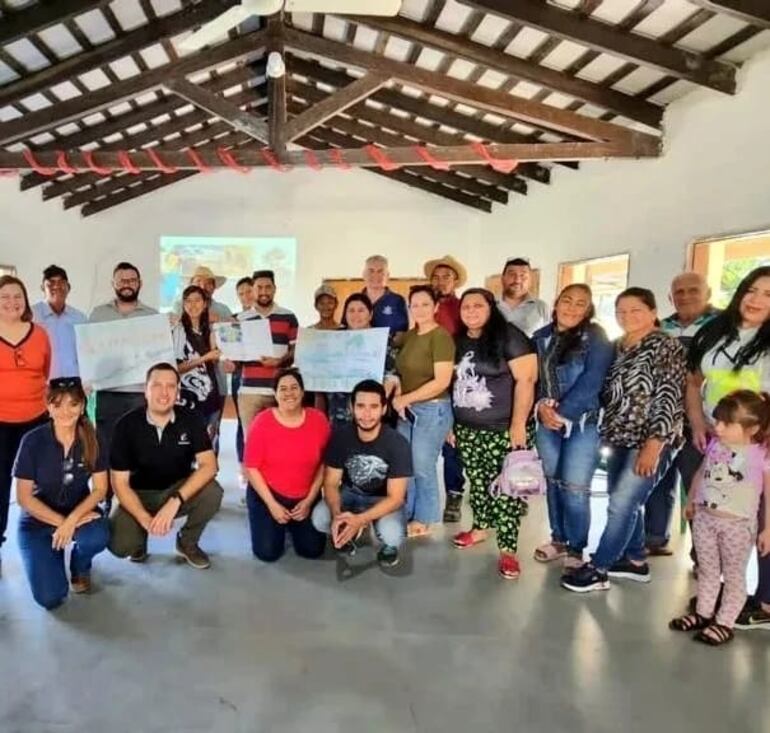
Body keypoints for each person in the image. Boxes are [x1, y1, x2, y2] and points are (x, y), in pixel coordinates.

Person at [562, 288, 686, 593]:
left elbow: (669, 397)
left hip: (651, 440)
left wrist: (654, 446)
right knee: (626, 503)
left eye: (636, 310)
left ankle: (600, 568)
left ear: (653, 312)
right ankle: (634, 560)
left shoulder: (664, 344)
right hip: (619, 436)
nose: (627, 317)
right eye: (621, 311)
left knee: (621, 504)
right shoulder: (618, 346)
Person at [687, 266, 770, 627]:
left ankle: (765, 602)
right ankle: (712, 596)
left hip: (759, 444)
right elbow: (693, 383)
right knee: (708, 509)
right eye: (752, 290)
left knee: (761, 518)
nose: (756, 300)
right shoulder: (715, 332)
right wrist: (698, 423)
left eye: (768, 295)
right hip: (712, 437)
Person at [669, 390, 770, 646]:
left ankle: (724, 621)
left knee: (734, 576)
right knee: (708, 570)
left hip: (737, 525)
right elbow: (701, 473)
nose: (718, 427)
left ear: (753, 427)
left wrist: (767, 529)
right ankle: (703, 613)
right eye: (718, 421)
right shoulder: (716, 444)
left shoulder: (762, 455)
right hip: (705, 520)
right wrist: (692, 500)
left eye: (727, 423)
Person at [450, 288, 537, 579]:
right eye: (466, 306)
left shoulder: (509, 336)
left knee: (508, 490)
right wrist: (452, 423)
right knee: (477, 482)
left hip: (503, 429)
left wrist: (518, 424)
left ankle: (508, 549)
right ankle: (479, 529)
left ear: (491, 308)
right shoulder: (459, 340)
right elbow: (455, 383)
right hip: (467, 429)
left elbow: (526, 379)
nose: (471, 311)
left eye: (478, 305)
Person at [108, 363, 223, 569]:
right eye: (157, 385)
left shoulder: (191, 418)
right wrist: (143, 518)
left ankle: (187, 543)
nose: (164, 392)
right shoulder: (126, 425)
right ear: (146, 390)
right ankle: (138, 540)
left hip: (176, 489)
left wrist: (175, 501)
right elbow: (119, 483)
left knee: (213, 492)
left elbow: (209, 466)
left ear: (178, 391)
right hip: (139, 493)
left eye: (171, 386)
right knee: (120, 545)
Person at [532, 284, 613, 569]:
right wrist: (541, 406)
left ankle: (577, 549)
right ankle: (558, 540)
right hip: (546, 422)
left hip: (583, 423)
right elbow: (534, 380)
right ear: (556, 304)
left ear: (588, 309)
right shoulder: (540, 337)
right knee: (553, 481)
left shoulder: (596, 337)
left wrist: (563, 413)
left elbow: (594, 378)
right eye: (567, 301)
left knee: (576, 487)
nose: (572, 308)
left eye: (581, 304)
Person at [14, 378, 109, 608]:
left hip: (79, 513)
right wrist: (63, 524)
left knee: (97, 536)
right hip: (37, 520)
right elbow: (23, 497)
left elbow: (100, 489)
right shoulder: (32, 441)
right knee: (51, 597)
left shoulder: (93, 438)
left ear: (83, 406)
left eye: (73, 404)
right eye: (57, 405)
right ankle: (51, 554)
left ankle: (80, 567)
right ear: (48, 407)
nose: (65, 412)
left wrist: (73, 520)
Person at [645, 272, 720, 556]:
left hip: (701, 421)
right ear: (670, 297)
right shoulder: (660, 327)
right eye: (679, 292)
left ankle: (703, 555)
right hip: (662, 418)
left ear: (708, 292)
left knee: (699, 486)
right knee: (657, 482)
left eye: (693, 290)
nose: (686, 296)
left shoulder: (723, 326)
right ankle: (653, 538)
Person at [312, 380, 412, 568]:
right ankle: (345, 532)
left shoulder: (398, 444)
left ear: (383, 409)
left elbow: (396, 498)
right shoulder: (341, 436)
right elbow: (331, 483)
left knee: (393, 534)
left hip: (383, 498)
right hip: (350, 493)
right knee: (320, 518)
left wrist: (360, 520)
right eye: (360, 406)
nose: (366, 414)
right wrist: (337, 515)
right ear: (351, 407)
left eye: (374, 407)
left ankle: (386, 545)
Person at [243, 369, 330, 562]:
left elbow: (325, 464)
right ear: (275, 394)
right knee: (267, 553)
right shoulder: (262, 422)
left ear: (302, 392)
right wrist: (272, 505)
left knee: (312, 550)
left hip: (305, 496)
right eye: (282, 389)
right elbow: (251, 467)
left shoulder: (319, 420)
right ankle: (271, 521)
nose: (288, 393)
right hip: (268, 494)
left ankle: (291, 525)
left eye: (294, 388)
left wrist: (309, 501)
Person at [393, 286, 455, 537]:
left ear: (436, 307)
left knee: (422, 466)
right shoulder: (409, 336)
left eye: (425, 304)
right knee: (405, 465)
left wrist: (405, 398)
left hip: (433, 409)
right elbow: (394, 365)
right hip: (407, 410)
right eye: (414, 305)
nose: (419, 309)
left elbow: (441, 381)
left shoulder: (441, 337)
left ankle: (425, 518)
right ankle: (408, 511)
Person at [0, 275, 51, 571]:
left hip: (35, 421)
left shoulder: (40, 334)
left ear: (25, 300)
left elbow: (44, 372)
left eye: (16, 296)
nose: (11, 302)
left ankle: (43, 535)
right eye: (4, 297)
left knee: (39, 484)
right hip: (1, 423)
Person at [89, 262, 158, 458]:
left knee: (139, 449)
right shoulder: (98, 314)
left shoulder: (152, 316)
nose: (127, 284)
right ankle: (109, 489)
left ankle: (136, 489)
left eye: (132, 280)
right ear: (113, 284)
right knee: (107, 449)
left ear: (140, 283)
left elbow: (158, 354)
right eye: (122, 280)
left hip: (140, 393)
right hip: (107, 394)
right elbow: (89, 351)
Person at [424, 255, 467, 523]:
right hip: (422, 381)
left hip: (454, 381)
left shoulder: (463, 307)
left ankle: (454, 493)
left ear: (455, 281)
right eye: (436, 277)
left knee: (453, 442)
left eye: (446, 277)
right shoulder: (424, 305)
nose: (441, 281)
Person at [236, 270, 299, 435]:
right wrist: (230, 363)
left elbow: (296, 350)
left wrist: (279, 362)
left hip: (280, 392)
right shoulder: (241, 319)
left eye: (268, 287)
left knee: (280, 442)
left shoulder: (288, 317)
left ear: (274, 289)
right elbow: (236, 356)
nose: (264, 292)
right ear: (253, 290)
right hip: (249, 393)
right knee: (251, 444)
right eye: (259, 287)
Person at [325, 293, 398, 428]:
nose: (356, 315)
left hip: (371, 412)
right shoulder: (335, 339)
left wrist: (377, 403)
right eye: (351, 310)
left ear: (370, 314)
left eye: (361, 310)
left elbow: (391, 376)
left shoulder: (382, 339)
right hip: (339, 409)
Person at [172, 285, 222, 447]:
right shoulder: (178, 331)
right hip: (187, 399)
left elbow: (216, 361)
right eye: (188, 301)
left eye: (197, 300)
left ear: (205, 303)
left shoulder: (211, 329)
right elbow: (176, 368)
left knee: (209, 446)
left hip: (211, 396)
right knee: (187, 448)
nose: (193, 305)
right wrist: (205, 357)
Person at [31, 265, 86, 379]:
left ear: (68, 287)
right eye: (50, 283)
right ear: (42, 287)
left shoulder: (80, 318)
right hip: (43, 386)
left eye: (61, 282)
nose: (56, 286)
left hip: (74, 386)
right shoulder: (31, 316)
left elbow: (87, 352)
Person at [232, 276, 254, 473]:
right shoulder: (235, 320)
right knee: (242, 423)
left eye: (249, 291)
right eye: (241, 293)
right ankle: (244, 473)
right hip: (240, 376)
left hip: (265, 380)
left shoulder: (270, 318)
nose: (246, 296)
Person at [497, 258, 549, 337]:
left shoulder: (541, 307)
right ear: (502, 278)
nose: (517, 280)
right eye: (512, 274)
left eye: (523, 276)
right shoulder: (489, 305)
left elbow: (549, 340)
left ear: (530, 281)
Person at [362, 255, 408, 334]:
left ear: (387, 275)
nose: (375, 275)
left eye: (380, 271)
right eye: (371, 271)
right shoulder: (354, 300)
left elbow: (403, 333)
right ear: (363, 274)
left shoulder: (398, 301)